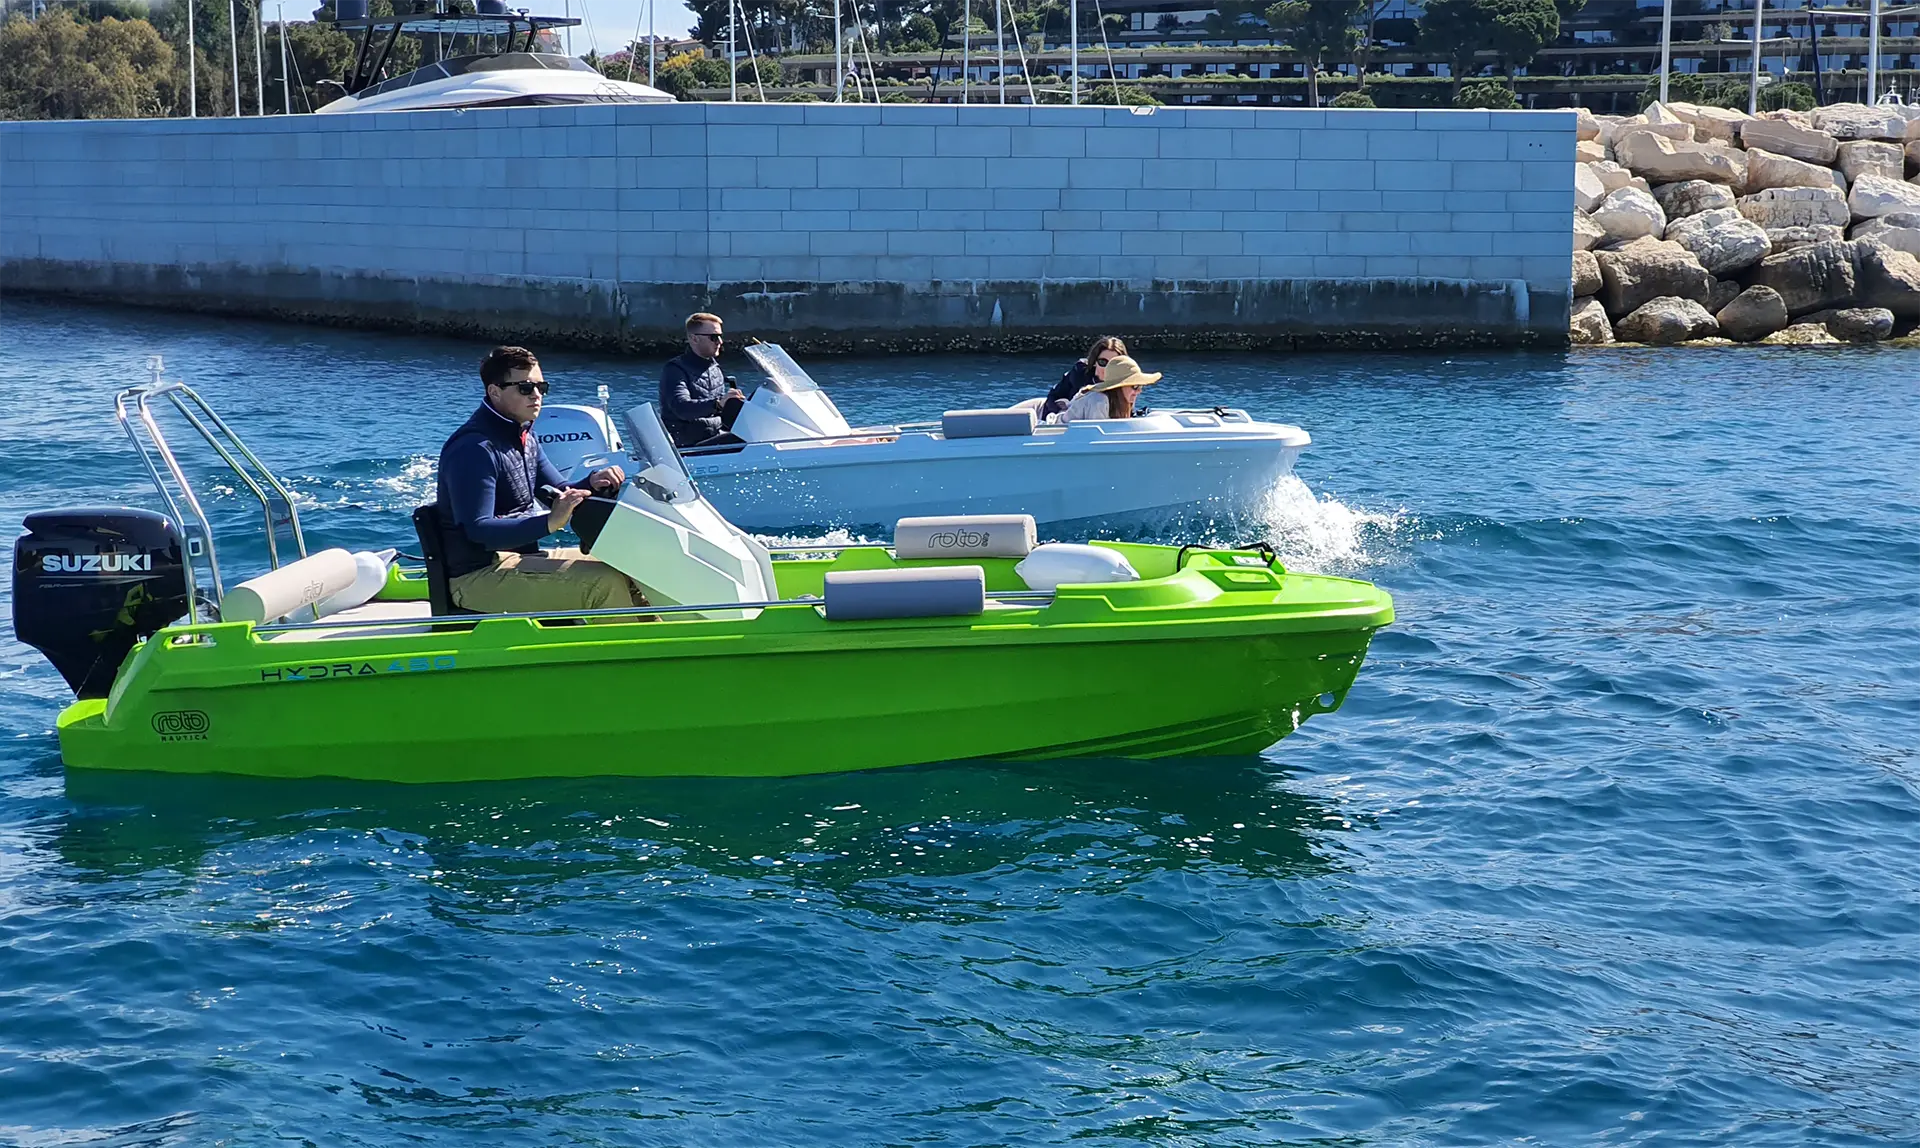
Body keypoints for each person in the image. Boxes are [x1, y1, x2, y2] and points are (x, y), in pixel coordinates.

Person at [436, 346, 645, 615]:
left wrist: (592, 483)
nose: (536, 395)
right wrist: (549, 522)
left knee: (628, 567)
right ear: (494, 391)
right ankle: (628, 654)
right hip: (477, 575)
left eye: (540, 387)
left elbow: (561, 491)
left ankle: (665, 643)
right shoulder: (474, 448)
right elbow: (478, 530)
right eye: (525, 387)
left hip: (518, 559)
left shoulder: (524, 436)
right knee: (603, 584)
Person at [660, 312, 748, 449]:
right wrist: (718, 404)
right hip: (686, 445)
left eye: (720, 336)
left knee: (755, 435)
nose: (720, 342)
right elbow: (681, 407)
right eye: (714, 337)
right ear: (694, 339)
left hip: (713, 437)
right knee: (745, 440)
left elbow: (720, 413)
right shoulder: (675, 369)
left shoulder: (715, 368)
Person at [1057, 355, 1160, 425]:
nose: (1139, 391)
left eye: (1140, 386)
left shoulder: (1121, 401)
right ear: (1118, 387)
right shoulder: (1099, 401)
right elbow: (1095, 440)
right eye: (1135, 386)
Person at [1043, 336, 1127, 418]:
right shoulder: (1080, 374)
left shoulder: (1128, 384)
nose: (1107, 368)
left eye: (1114, 364)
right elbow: (1053, 396)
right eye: (1102, 362)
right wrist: (1060, 413)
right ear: (1094, 362)